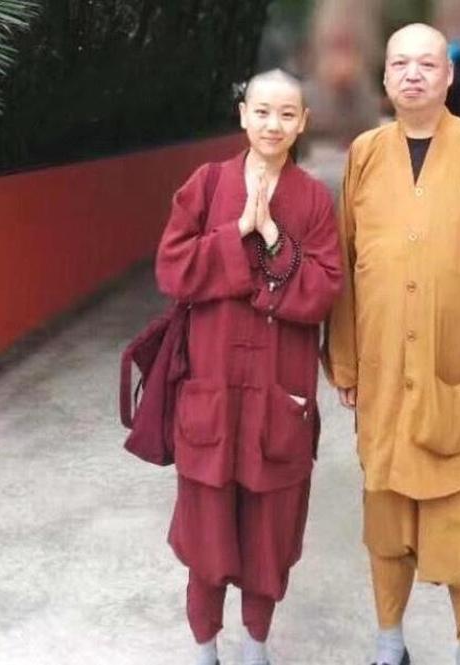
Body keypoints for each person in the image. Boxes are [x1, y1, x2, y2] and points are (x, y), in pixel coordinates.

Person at [324, 23, 460, 665]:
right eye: (399, 64)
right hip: (385, 377)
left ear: (448, 76)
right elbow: (345, 264)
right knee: (386, 524)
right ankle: (390, 645)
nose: (412, 74)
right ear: (385, 78)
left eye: (427, 64)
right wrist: (347, 362)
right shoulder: (364, 154)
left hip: (459, 380)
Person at [155, 69, 342, 665]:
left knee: (268, 538)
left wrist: (272, 236)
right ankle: (205, 649)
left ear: (303, 122)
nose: (273, 125)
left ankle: (255, 648)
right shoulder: (206, 185)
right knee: (206, 536)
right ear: (243, 116)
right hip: (210, 396)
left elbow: (323, 291)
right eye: (262, 112)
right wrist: (237, 231)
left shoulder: (314, 199)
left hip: (278, 400)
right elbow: (173, 270)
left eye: (287, 114)